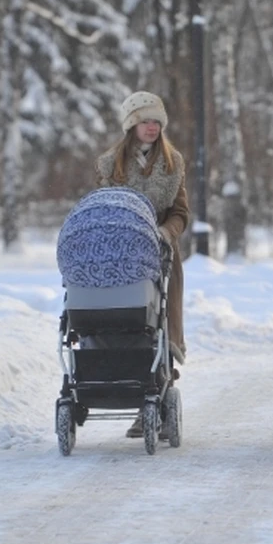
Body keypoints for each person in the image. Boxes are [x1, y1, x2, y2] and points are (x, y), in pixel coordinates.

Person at [95, 91, 189, 438]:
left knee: (160, 324)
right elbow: (101, 207)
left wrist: (166, 231)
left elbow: (181, 212)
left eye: (157, 122)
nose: (152, 128)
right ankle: (137, 395)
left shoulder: (172, 163)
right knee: (126, 322)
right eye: (145, 121)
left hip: (161, 254)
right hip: (122, 256)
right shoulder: (109, 165)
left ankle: (160, 396)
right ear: (132, 125)